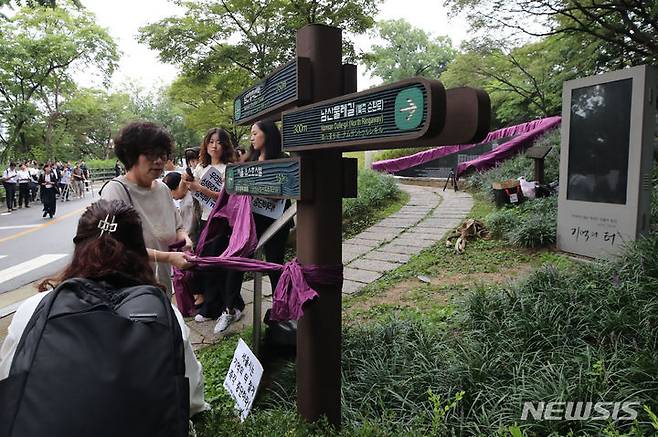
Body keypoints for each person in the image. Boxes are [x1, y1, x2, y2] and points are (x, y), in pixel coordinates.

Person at [0, 199, 208, 433]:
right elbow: (191, 397)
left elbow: (9, 377)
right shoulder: (165, 314)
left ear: (78, 249)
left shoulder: (33, 309)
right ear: (140, 252)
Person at [100, 121, 193, 295]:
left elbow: (178, 226)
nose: (158, 161)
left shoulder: (163, 189)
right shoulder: (115, 190)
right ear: (131, 155)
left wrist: (185, 240)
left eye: (163, 155)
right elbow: (114, 245)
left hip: (161, 284)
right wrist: (168, 257)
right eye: (150, 154)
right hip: (129, 290)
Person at [184, 127, 238, 324]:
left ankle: (218, 307)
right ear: (205, 145)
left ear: (225, 146)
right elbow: (187, 193)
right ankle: (223, 304)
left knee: (214, 264)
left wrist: (200, 188)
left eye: (219, 142)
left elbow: (226, 197)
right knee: (205, 264)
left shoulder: (229, 168)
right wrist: (188, 182)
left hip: (221, 222)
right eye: (211, 141)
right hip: (202, 221)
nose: (214, 146)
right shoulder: (200, 168)